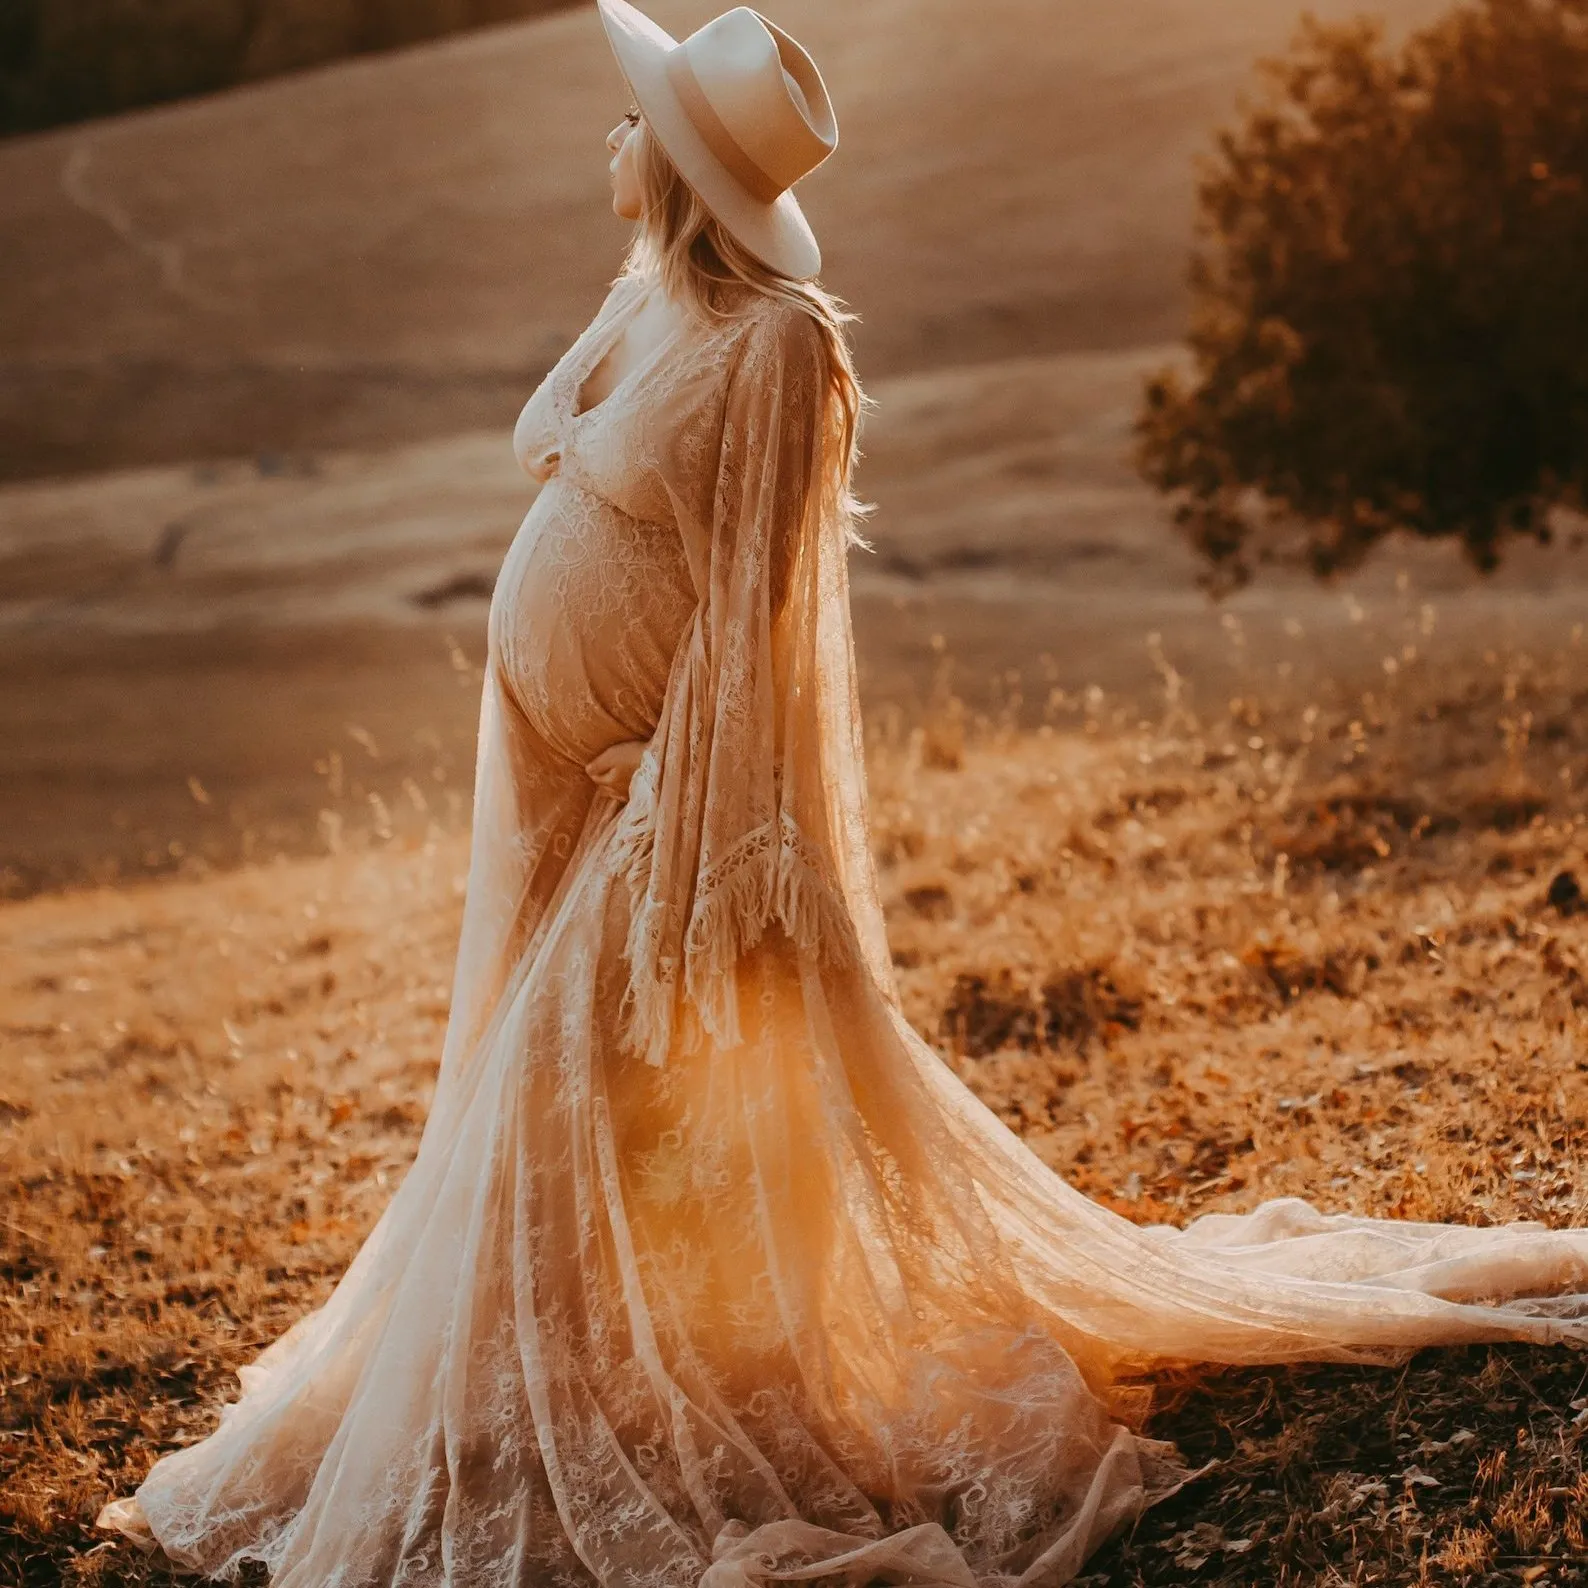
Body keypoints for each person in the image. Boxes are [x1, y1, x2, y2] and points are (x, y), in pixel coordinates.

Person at [97, 2, 1588, 1583]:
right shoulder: (645, 303)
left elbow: (757, 615)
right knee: (548, 1098)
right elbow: (569, 466)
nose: (608, 139)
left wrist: (686, 813)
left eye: (632, 121)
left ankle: (651, 1389)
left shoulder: (779, 342)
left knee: (586, 1092)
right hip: (577, 784)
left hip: (672, 793)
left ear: (671, 162)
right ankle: (570, 1374)